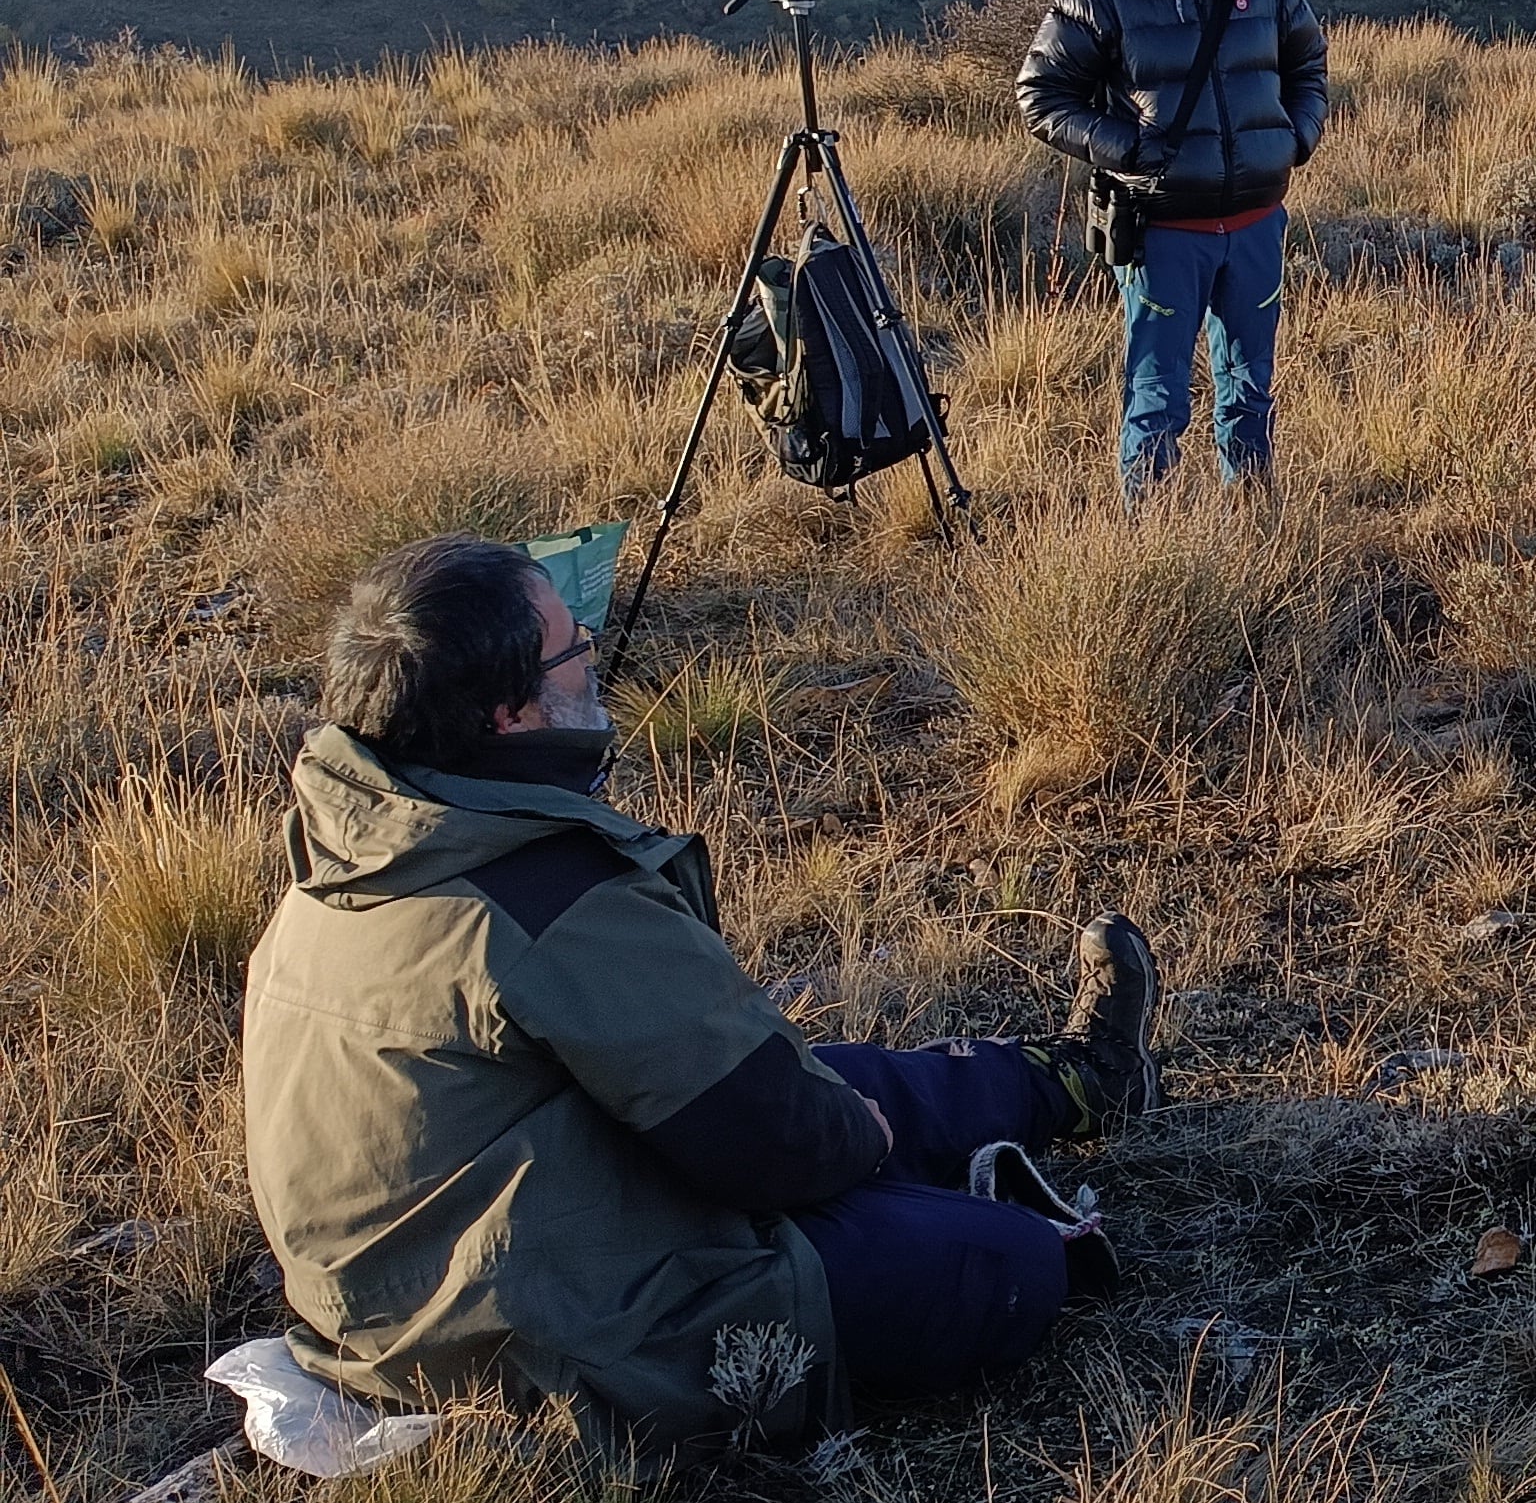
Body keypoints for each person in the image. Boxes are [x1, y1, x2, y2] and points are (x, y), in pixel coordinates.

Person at [243, 535, 1163, 1449]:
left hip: (405, 1301)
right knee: (996, 1262)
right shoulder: (541, 898)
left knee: (832, 1078)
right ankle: (1014, 1202)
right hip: (541, 1343)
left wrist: (829, 1117)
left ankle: (1078, 1081)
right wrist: (854, 1140)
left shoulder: (355, 846)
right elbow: (779, 1143)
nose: (593, 668)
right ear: (508, 714)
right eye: (575, 651)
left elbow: (740, 1092)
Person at [1014, 0, 1332, 499]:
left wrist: (1294, 138)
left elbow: (1308, 61)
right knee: (1157, 402)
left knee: (1251, 388)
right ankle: (1149, 541)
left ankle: (1252, 524)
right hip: (1163, 233)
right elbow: (1040, 97)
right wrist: (1127, 147)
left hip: (1254, 224)